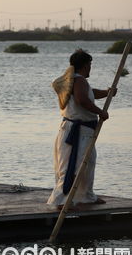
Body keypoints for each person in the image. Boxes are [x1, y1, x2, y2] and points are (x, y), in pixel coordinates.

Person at [47, 49, 116, 209]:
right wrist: (101, 112)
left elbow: (89, 94)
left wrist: (107, 93)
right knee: (71, 166)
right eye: (90, 64)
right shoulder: (78, 81)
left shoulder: (77, 81)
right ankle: (62, 200)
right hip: (76, 132)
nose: (91, 67)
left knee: (88, 163)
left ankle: (86, 196)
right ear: (85, 65)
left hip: (82, 131)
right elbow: (82, 100)